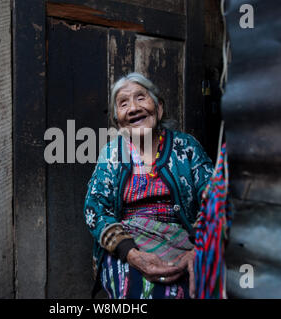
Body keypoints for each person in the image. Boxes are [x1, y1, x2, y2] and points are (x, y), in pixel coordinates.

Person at [84, 72, 214, 299]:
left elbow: (214, 198)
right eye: (123, 103)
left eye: (141, 98)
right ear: (119, 121)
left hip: (187, 243)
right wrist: (131, 253)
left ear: (159, 108)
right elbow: (94, 208)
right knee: (138, 290)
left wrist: (199, 249)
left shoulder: (186, 147)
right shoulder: (113, 153)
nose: (133, 108)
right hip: (129, 244)